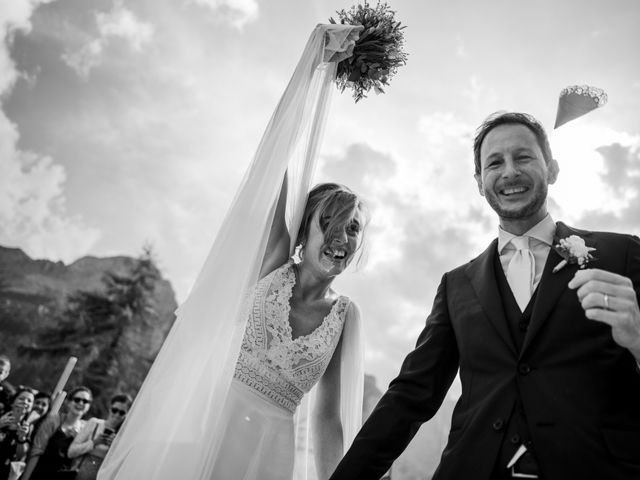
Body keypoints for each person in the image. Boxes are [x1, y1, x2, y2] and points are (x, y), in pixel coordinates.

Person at [98, 23, 366, 480]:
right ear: (303, 233)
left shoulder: (346, 316)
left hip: (271, 456)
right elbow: (275, 156)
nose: (342, 238)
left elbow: (327, 419)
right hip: (206, 432)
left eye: (354, 228)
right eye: (329, 223)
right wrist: (313, 67)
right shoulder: (274, 263)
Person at [329, 111, 640, 480]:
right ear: (479, 182)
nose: (509, 171)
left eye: (523, 157)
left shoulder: (623, 255)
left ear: (553, 169)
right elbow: (411, 396)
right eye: (495, 162)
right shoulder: (456, 285)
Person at [21, 386, 92, 480]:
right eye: (77, 399)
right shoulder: (53, 421)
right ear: (68, 402)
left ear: (88, 406)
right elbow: (36, 451)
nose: (80, 403)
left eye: (85, 401)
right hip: (39, 473)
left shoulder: (85, 429)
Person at [68, 394, 132, 480]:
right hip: (78, 475)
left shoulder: (124, 436)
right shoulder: (94, 423)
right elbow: (71, 452)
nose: (117, 414)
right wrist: (94, 443)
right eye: (114, 410)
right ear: (110, 409)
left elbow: (120, 467)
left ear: (126, 415)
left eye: (121, 412)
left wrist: (113, 448)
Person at [0, 387, 35, 480]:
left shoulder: (29, 427)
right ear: (12, 402)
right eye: (21, 398)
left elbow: (20, 456)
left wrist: (21, 438)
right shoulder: (1, 415)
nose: (25, 402)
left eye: (29, 401)